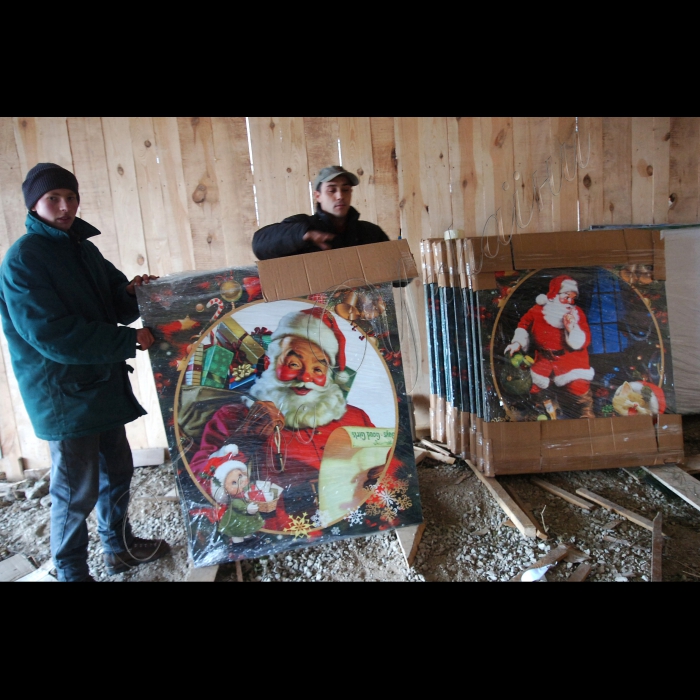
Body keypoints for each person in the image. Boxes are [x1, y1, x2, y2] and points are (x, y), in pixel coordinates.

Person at [0, 162, 172, 582]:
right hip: (61, 395)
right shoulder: (23, 260)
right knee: (75, 491)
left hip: (98, 384)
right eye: (53, 198)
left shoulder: (82, 248)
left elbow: (113, 300)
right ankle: (71, 570)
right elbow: (51, 335)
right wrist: (127, 340)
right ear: (34, 204)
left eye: (71, 197)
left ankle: (119, 548)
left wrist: (133, 293)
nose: (64, 206)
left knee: (118, 470)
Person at [189, 307, 399, 532]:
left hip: (353, 523)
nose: (306, 377)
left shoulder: (355, 416)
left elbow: (391, 460)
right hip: (280, 532)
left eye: (318, 368)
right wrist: (245, 436)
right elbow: (198, 483)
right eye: (294, 364)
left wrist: (387, 470)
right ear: (271, 363)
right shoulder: (234, 416)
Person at [504, 275, 595, 419]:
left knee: (578, 386)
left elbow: (584, 340)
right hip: (544, 358)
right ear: (554, 295)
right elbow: (523, 325)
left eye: (573, 298)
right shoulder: (538, 310)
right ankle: (541, 411)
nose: (570, 302)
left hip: (570, 358)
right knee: (533, 386)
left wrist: (572, 329)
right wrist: (517, 342)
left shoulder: (577, 314)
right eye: (566, 297)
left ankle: (585, 412)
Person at [252, 165, 390, 260]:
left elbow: (399, 278)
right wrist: (304, 234)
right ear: (318, 196)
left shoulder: (370, 232)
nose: (340, 196)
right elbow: (260, 244)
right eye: (332, 190)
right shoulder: (302, 225)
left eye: (345, 189)